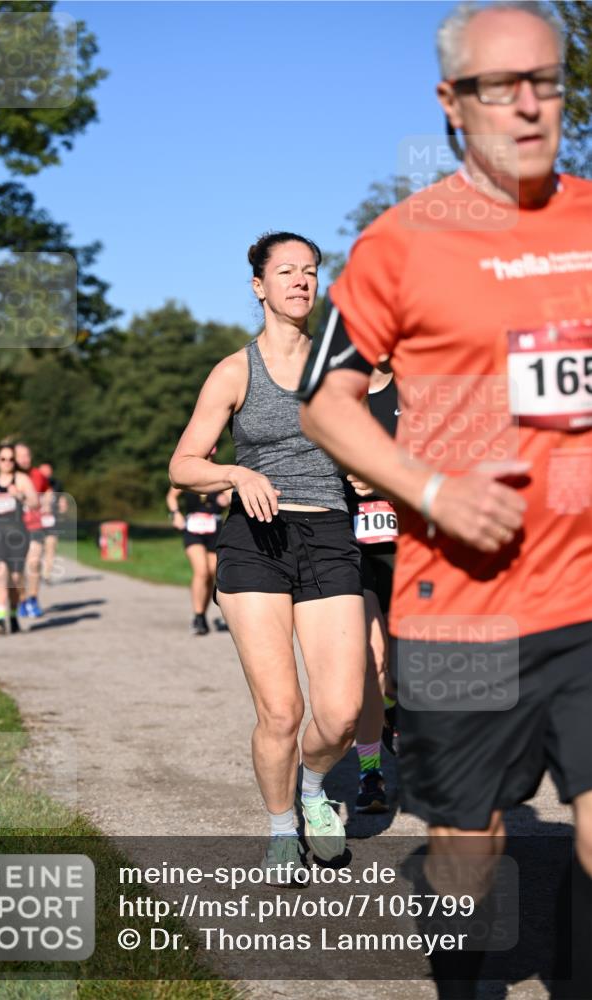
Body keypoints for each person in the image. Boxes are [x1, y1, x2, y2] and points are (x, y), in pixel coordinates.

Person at [299, 3, 591, 996]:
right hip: (461, 609)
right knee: (469, 855)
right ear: (450, 102)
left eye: (546, 81)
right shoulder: (400, 243)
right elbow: (325, 405)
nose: (527, 104)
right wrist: (430, 488)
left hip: (584, 595)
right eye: (498, 86)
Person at [170, 232, 366, 880]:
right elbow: (183, 464)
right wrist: (234, 473)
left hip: (330, 536)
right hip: (255, 541)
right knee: (281, 711)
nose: (301, 281)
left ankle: (312, 789)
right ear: (259, 285)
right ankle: (282, 827)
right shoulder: (235, 371)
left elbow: (371, 444)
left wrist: (367, 473)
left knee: (340, 715)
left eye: (309, 271)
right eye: (286, 271)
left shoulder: (340, 365)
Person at [347, 364, 400, 814]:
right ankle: (370, 774)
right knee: (372, 662)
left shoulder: (418, 391)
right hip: (354, 551)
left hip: (411, 550)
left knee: (401, 670)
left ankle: (393, 709)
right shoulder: (334, 392)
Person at [165, 454, 231, 635]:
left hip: (214, 529)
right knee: (201, 570)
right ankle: (198, 616)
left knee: (212, 572)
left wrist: (226, 500)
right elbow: (171, 496)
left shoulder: (220, 472)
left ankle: (206, 614)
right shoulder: (188, 471)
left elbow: (231, 497)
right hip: (193, 528)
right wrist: (175, 514)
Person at [0, 444, 38, 635]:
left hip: (17, 536)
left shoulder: (21, 479)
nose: (7, 463)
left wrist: (19, 495)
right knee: (0, 573)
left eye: (11, 459)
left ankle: (13, 616)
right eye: (3, 459)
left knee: (14, 579)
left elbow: (35, 503)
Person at [14, 443, 51, 617]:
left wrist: (47, 503)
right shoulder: (9, 477)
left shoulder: (37, 474)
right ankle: (22, 599)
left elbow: (48, 490)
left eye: (27, 455)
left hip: (35, 525)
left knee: (34, 563)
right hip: (14, 528)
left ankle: (33, 599)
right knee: (17, 570)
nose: (25, 459)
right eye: (21, 456)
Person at [38, 462, 68, 586]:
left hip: (51, 522)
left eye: (48, 472)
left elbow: (62, 500)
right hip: (36, 522)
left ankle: (46, 575)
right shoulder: (33, 484)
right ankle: (36, 571)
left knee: (51, 547)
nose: (46, 474)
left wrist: (62, 506)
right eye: (43, 472)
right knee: (37, 549)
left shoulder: (57, 484)